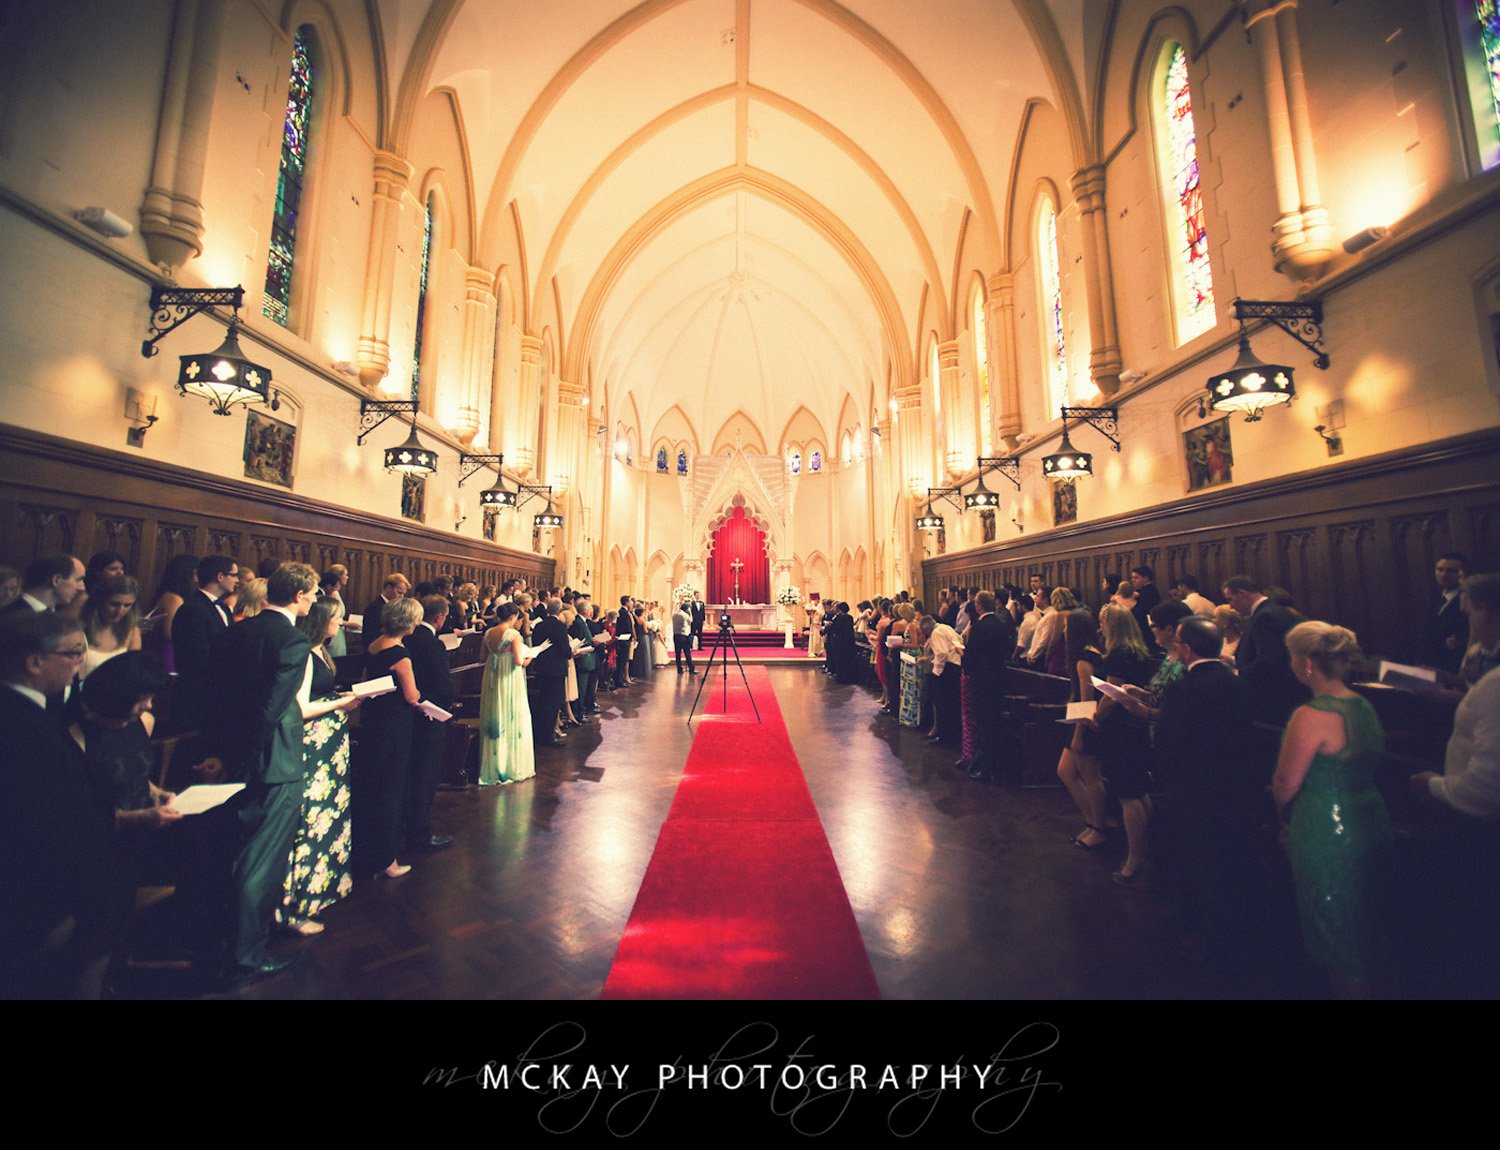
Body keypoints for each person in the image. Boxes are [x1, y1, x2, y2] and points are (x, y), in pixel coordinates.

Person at [201, 561, 318, 987]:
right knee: (260, 863)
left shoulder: (236, 631)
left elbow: (213, 695)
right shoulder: (292, 640)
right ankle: (246, 959)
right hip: (274, 761)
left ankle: (223, 943)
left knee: (234, 853)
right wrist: (241, 756)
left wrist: (221, 753)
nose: (315, 599)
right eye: (314, 592)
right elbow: (272, 708)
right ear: (300, 595)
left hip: (232, 754)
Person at [1271, 620, 1393, 998]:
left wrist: (1284, 820)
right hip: (1371, 818)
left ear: (1307, 662)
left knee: (1336, 929)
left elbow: (1285, 784)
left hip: (1327, 828)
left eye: (1291, 655)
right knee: (1367, 924)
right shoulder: (1364, 705)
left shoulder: (1311, 715)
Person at [0, 612, 114, 997]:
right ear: (35, 662)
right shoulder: (29, 730)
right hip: (39, 908)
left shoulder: (27, 715)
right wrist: (56, 915)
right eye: (72, 653)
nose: (80, 663)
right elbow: (38, 827)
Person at [282, 596, 360, 935]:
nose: (339, 623)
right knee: (311, 817)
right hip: (312, 745)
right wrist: (341, 702)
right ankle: (298, 903)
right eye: (335, 617)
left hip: (329, 744)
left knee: (327, 814)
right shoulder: (305, 654)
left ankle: (321, 889)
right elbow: (300, 707)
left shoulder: (320, 652)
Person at [357, 597, 423, 880]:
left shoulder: (373, 645)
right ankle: (386, 859)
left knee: (372, 784)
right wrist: (421, 699)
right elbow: (411, 695)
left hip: (372, 720)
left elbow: (362, 681)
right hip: (394, 725)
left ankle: (366, 853)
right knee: (391, 787)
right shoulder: (400, 654)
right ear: (408, 623)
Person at [404, 595, 457, 852]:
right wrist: (446, 706)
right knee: (425, 777)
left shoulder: (405, 637)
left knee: (410, 774)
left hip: (406, 717)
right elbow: (443, 685)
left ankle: (406, 829)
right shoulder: (433, 644)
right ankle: (420, 834)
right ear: (440, 617)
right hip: (429, 715)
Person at [1223, 574, 1309, 724]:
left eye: (1230, 599)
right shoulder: (1270, 611)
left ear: (1242, 594)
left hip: (1274, 698)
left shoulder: (1266, 616)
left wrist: (1237, 673)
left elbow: (1270, 662)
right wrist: (1233, 660)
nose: (1231, 606)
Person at [170, 554, 240, 733]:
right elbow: (196, 655)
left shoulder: (222, 607)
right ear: (220, 577)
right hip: (197, 694)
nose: (237, 580)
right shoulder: (192, 609)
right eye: (234, 575)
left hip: (218, 692)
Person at [479, 603, 537, 783]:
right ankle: (510, 765)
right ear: (513, 617)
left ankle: (494, 762)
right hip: (509, 678)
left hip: (492, 677)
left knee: (495, 712)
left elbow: (482, 657)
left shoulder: (488, 633)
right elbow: (520, 662)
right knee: (511, 715)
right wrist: (532, 655)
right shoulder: (513, 635)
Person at [79, 574, 142, 679]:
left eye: (127, 605)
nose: (120, 611)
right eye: (114, 604)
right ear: (100, 600)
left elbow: (134, 673)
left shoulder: (131, 631)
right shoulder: (81, 628)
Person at [142, 553, 197, 673]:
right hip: (168, 653)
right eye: (197, 574)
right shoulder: (173, 598)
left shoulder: (177, 596)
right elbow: (169, 633)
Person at [534, 601, 576, 745]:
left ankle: (541, 734)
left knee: (543, 701)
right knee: (553, 704)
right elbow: (565, 650)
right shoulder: (560, 627)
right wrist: (572, 652)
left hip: (542, 668)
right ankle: (549, 737)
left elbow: (536, 646)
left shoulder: (539, 626)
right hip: (556, 669)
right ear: (559, 612)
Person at [1420, 553, 1468, 674]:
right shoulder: (1436, 600)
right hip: (1432, 666)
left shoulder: (1467, 601)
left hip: (1455, 669)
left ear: (1462, 574)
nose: (1444, 574)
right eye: (1440, 569)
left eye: (1451, 571)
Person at [672, 598, 696, 674]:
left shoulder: (674, 614)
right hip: (684, 636)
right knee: (687, 653)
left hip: (676, 635)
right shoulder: (685, 615)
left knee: (678, 653)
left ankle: (679, 668)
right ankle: (691, 669)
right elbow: (691, 620)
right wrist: (690, 613)